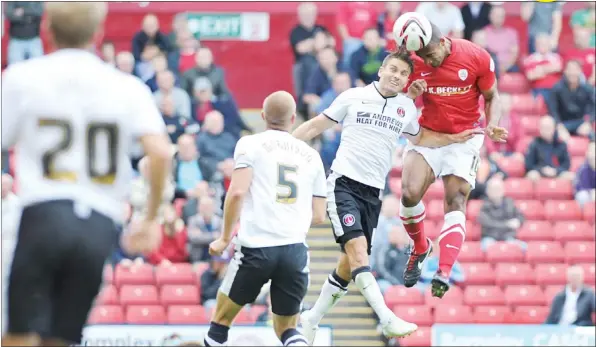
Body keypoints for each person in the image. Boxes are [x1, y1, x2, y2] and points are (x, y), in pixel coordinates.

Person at [0, 3, 172, 346]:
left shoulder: (23, 77)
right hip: (98, 223)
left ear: (47, 29)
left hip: (42, 213)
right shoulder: (126, 86)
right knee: (63, 336)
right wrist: (151, 218)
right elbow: (161, 151)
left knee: (18, 333)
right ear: (98, 32)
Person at [292, 48, 483, 344]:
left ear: (408, 79)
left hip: (373, 192)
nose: (397, 76)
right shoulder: (353, 96)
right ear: (381, 70)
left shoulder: (406, 108)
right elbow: (318, 124)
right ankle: (386, 316)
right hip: (343, 183)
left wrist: (454, 138)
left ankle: (312, 317)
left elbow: (422, 138)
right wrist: (284, 142)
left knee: (349, 261)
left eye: (404, 73)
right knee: (357, 252)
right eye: (393, 70)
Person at [204, 91, 328, 347]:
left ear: (262, 116)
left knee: (220, 322)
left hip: (255, 248)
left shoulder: (249, 144)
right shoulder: (312, 156)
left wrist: (225, 237)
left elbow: (237, 192)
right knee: (287, 330)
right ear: (293, 118)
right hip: (294, 250)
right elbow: (318, 215)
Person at [397, 22, 508, 300]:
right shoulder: (412, 62)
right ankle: (421, 247)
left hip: (465, 137)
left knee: (456, 199)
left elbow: (492, 96)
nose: (429, 62)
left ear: (444, 42)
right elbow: (396, 102)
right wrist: (409, 94)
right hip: (429, 135)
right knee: (409, 194)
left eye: (432, 55)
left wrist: (493, 124)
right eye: (424, 57)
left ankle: (444, 270)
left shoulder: (476, 56)